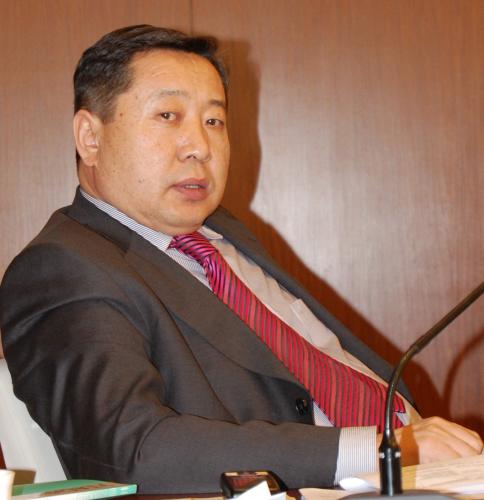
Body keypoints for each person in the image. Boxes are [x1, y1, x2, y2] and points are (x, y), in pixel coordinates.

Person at [0, 25, 481, 494]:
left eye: (214, 121)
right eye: (168, 116)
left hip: (430, 468)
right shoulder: (62, 268)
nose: (200, 147)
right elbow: (134, 449)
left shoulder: (222, 232)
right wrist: (378, 449)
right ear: (90, 137)